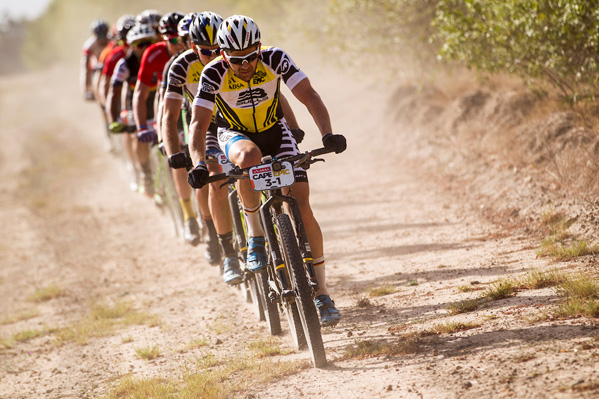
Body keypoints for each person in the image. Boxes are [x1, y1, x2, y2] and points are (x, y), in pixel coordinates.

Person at [187, 15, 346, 326]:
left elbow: (309, 96)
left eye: (250, 57)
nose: (244, 65)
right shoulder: (213, 73)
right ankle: (256, 236)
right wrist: (198, 162)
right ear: (223, 55)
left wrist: (327, 133)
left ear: (259, 48)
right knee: (248, 158)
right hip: (234, 134)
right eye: (236, 60)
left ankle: (323, 294)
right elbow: (198, 123)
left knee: (301, 202)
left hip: (275, 130)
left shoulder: (275, 58)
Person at [132, 12, 187, 197]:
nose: (180, 45)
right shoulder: (153, 53)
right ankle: (187, 215)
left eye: (183, 39)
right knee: (174, 151)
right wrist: (142, 128)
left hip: (192, 102)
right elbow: (141, 93)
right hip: (166, 100)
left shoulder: (195, 50)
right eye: (173, 41)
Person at [106, 23, 157, 192]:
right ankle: (145, 173)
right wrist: (113, 121)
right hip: (135, 104)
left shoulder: (160, 58)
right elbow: (113, 93)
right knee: (138, 135)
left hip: (157, 103)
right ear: (130, 46)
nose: (144, 48)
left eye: (147, 43)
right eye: (138, 44)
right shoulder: (125, 64)